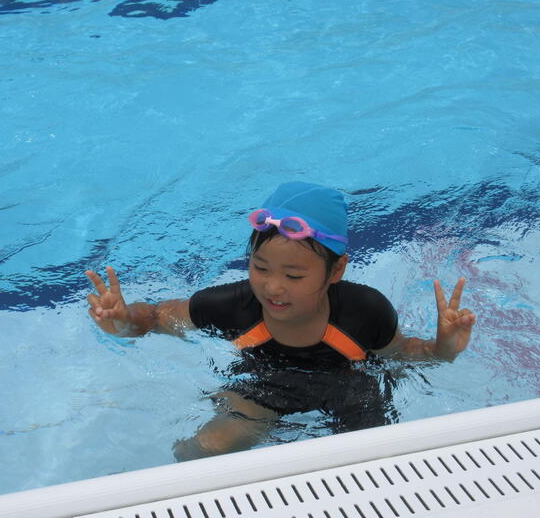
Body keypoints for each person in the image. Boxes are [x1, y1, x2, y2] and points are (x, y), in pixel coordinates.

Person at [86, 182, 475, 461]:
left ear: (336, 270)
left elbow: (402, 353)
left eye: (293, 276)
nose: (272, 287)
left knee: (376, 459)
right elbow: (156, 317)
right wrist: (122, 322)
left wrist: (443, 348)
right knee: (203, 451)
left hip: (352, 389)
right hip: (263, 386)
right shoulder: (232, 305)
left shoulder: (366, 311)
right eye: (260, 268)